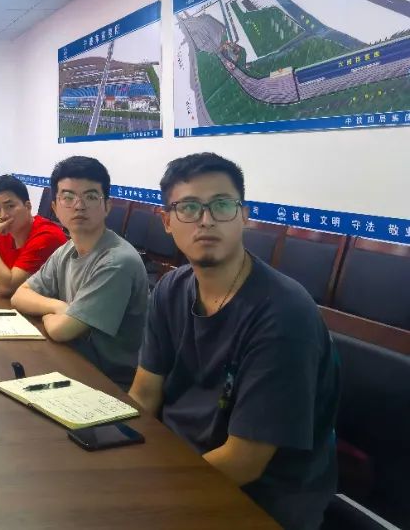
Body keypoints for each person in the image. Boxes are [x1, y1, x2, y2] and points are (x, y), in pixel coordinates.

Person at [128, 153, 337, 530]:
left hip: (257, 500)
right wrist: (120, 455)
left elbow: (244, 462)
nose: (206, 220)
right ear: (167, 222)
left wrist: (145, 493)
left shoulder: (284, 314)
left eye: (222, 205)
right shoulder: (171, 288)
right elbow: (144, 395)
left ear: (244, 216)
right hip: (178, 466)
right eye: (189, 207)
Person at [11, 156, 148, 388]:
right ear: (55, 207)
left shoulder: (117, 261)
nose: (79, 206)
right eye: (68, 197)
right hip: (69, 361)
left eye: (91, 197)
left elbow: (62, 330)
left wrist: (52, 315)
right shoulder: (67, 249)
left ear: (107, 206)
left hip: (108, 382)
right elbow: (20, 295)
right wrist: (58, 307)